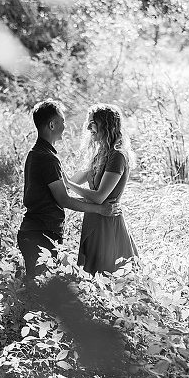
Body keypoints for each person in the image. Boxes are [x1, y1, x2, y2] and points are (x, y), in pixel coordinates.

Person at [17, 100, 119, 280]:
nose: (65, 126)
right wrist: (100, 209)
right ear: (52, 125)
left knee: (35, 283)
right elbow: (64, 199)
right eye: (62, 121)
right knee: (41, 287)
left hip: (34, 230)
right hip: (42, 232)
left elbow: (63, 190)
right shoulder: (47, 158)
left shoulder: (37, 153)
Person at [64, 103, 138, 275]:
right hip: (93, 219)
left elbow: (99, 197)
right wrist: (58, 179)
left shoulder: (117, 156)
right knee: (91, 277)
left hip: (107, 223)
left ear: (106, 125)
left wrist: (69, 184)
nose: (88, 128)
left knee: (107, 276)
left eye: (93, 123)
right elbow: (73, 180)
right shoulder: (101, 154)